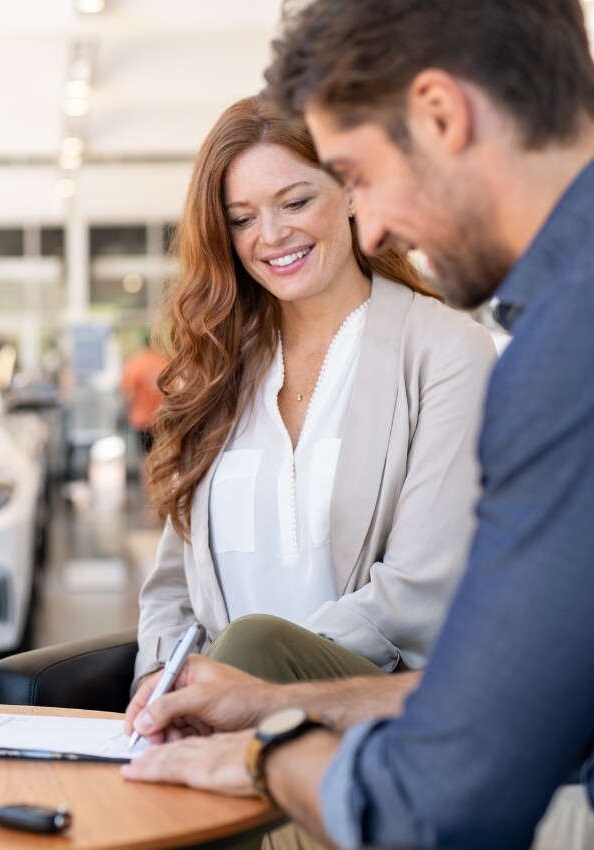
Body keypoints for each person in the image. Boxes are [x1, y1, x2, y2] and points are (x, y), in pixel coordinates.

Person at [121, 2, 594, 850]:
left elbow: (450, 783)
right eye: (241, 216)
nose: (372, 227)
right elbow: (492, 698)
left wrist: (267, 740)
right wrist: (233, 699)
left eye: (352, 178)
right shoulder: (557, 327)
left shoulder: (539, 355)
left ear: (443, 115)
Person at [133, 94, 495, 694]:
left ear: (352, 191)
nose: (271, 236)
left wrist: (247, 682)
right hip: (217, 709)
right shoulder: (220, 368)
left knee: (254, 641)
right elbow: (173, 584)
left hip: (367, 706)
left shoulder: (446, 352)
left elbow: (419, 593)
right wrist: (158, 677)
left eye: (296, 201)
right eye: (242, 218)